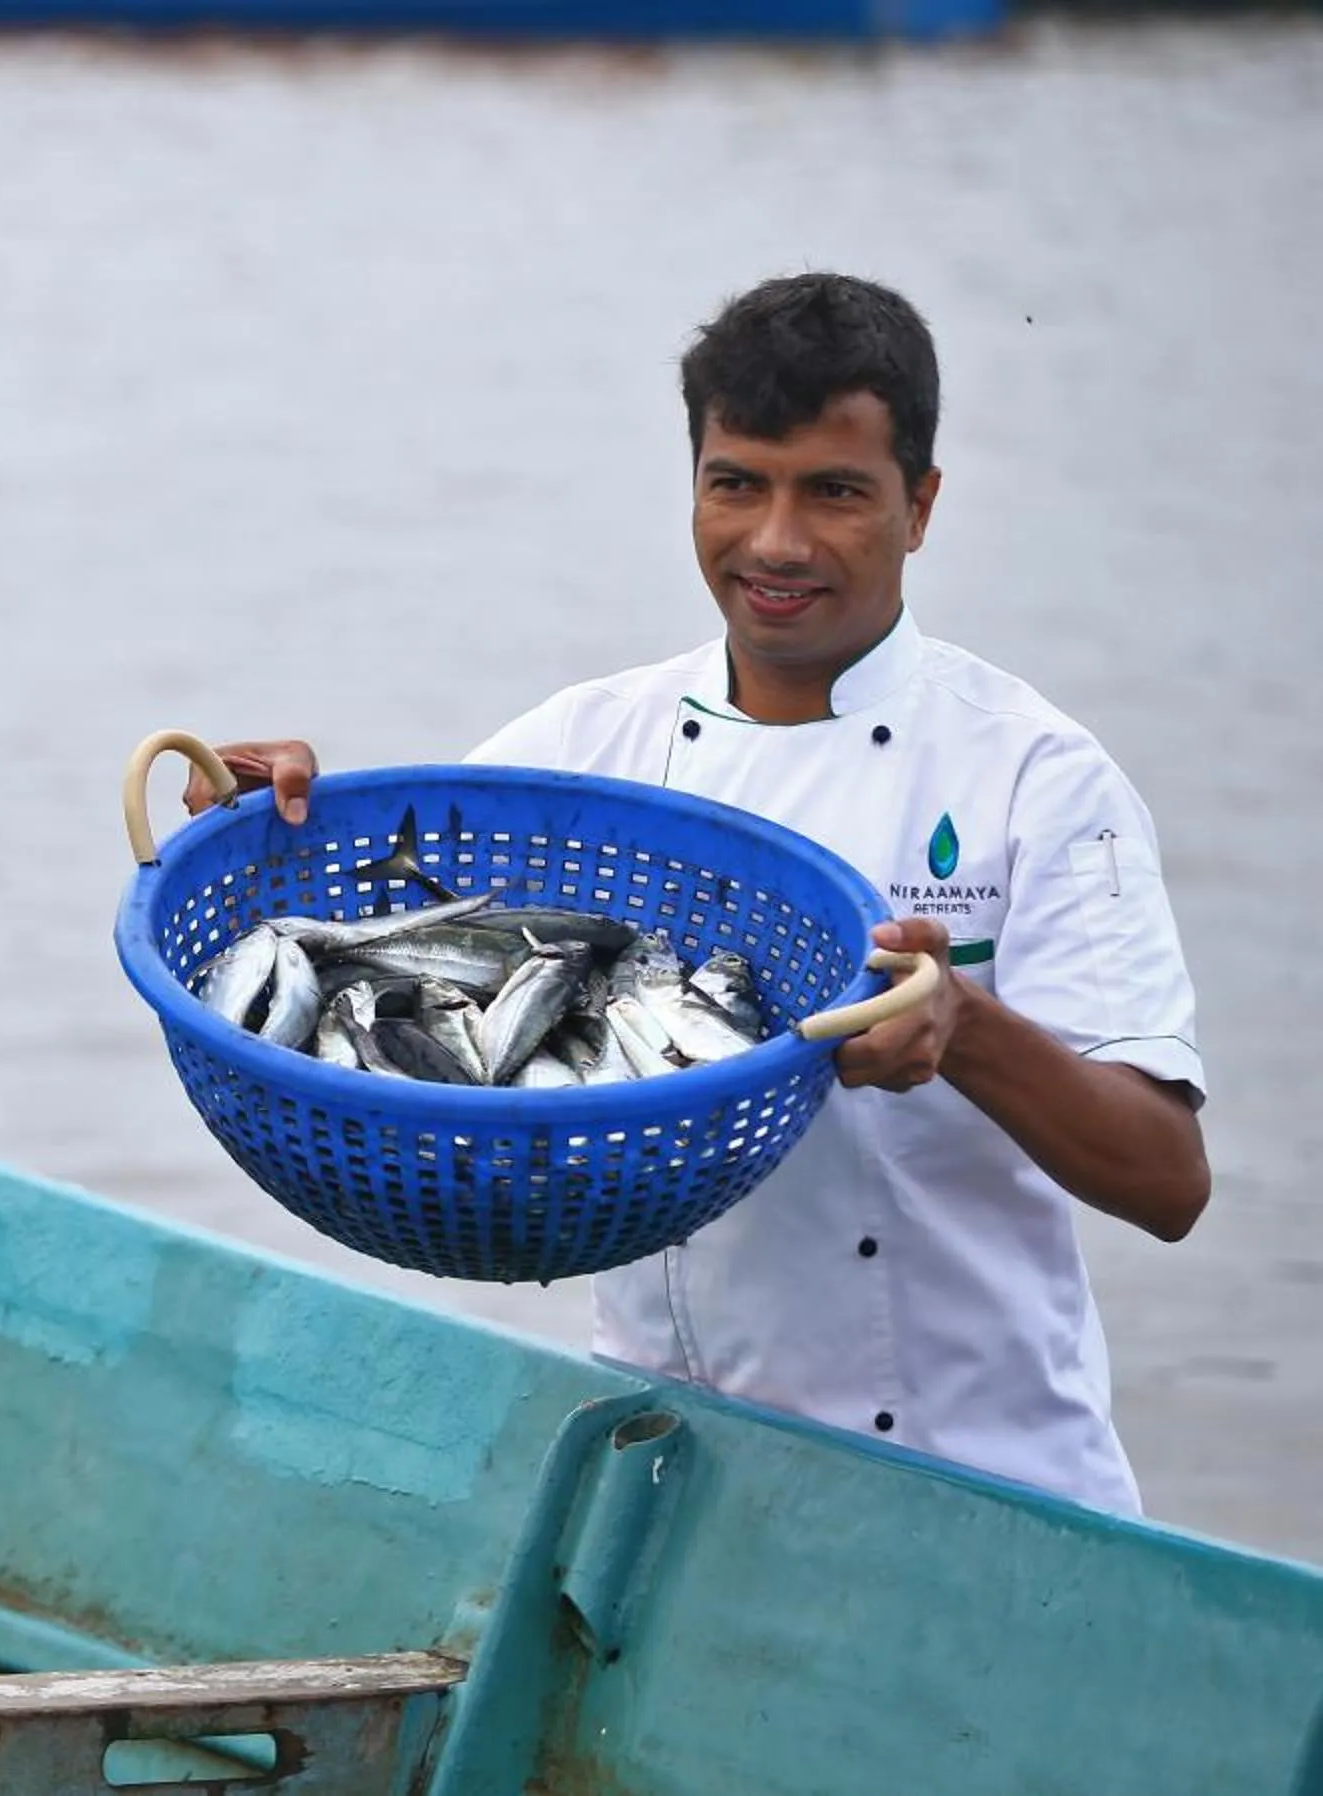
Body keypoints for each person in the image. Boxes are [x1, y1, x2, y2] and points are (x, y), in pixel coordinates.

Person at [186, 272, 1208, 1516]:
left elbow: (1167, 1179)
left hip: (983, 1484)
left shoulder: (1035, 777)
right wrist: (277, 815)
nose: (776, 541)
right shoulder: (589, 746)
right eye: (737, 484)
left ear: (922, 506)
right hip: (669, 1487)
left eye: (835, 491)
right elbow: (382, 933)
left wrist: (967, 1027)